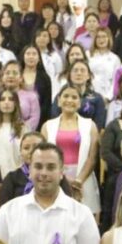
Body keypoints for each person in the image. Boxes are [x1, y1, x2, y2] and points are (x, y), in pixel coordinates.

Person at [42, 86, 100, 217]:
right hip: (56, 177)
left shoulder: (90, 125)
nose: (70, 100)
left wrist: (79, 180)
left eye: (74, 97)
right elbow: (44, 157)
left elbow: (92, 157)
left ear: (80, 103)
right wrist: (63, 179)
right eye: (66, 96)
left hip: (83, 178)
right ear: (58, 100)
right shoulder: (47, 126)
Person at [51, 59, 107, 132]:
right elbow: (54, 117)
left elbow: (98, 124)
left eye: (82, 70)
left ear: (89, 76)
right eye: (75, 70)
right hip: (62, 133)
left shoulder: (97, 98)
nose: (79, 73)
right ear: (69, 75)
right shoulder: (61, 96)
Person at [0, 89, 28, 178]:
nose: (6, 102)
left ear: (16, 103)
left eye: (11, 99)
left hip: (14, 176)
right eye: (3, 99)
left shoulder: (23, 128)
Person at [88, 28, 121, 101]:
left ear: (109, 38)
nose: (101, 39)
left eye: (104, 36)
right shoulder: (88, 55)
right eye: (98, 37)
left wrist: (108, 97)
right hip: (89, 95)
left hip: (107, 97)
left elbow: (116, 80)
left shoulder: (115, 59)